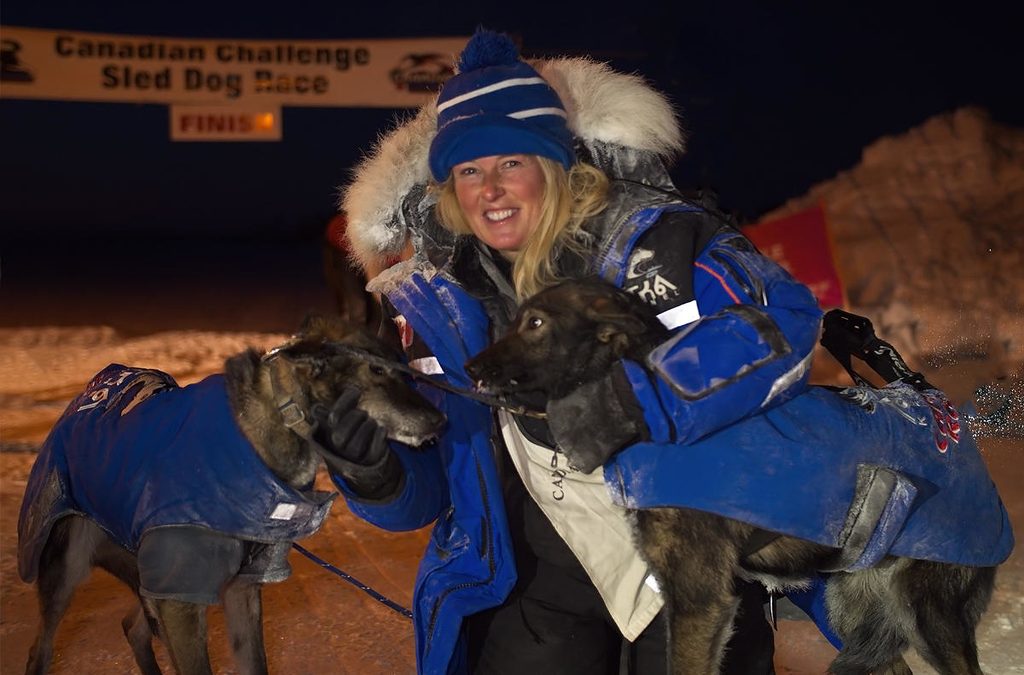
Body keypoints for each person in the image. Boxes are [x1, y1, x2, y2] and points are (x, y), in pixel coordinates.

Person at [311, 28, 824, 674]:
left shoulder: (662, 244)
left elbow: (787, 324)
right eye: (469, 169)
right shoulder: (435, 300)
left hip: (692, 557)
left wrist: (641, 398)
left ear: (554, 163)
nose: (489, 188)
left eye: (511, 162)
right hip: (545, 578)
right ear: (447, 188)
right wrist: (373, 470)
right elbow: (436, 488)